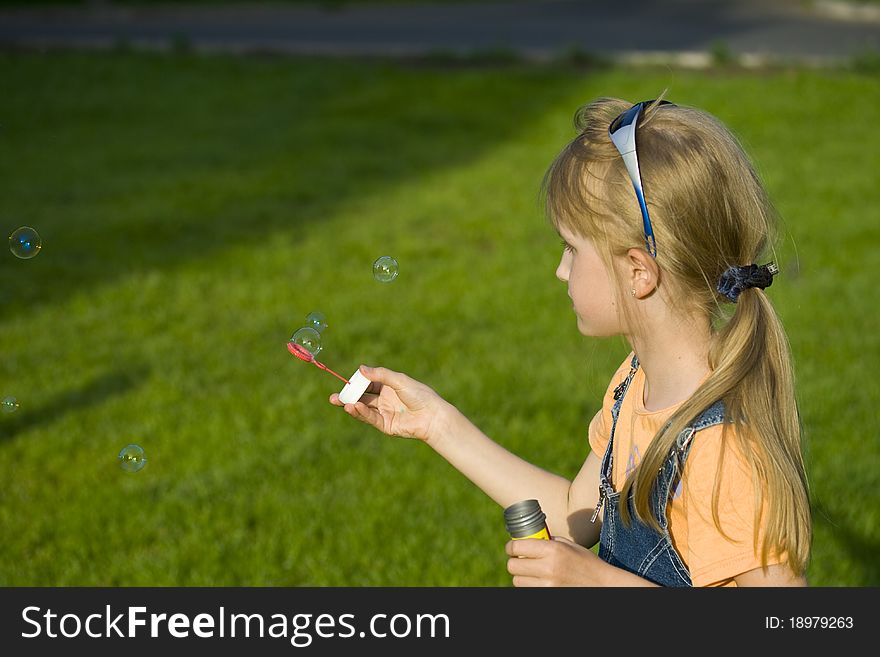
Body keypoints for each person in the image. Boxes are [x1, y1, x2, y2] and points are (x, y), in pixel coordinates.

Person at [329, 97, 812, 587]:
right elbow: (572, 514)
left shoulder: (720, 444)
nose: (560, 270)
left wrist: (599, 583)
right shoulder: (636, 382)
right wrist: (436, 423)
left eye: (571, 248)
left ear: (637, 271)